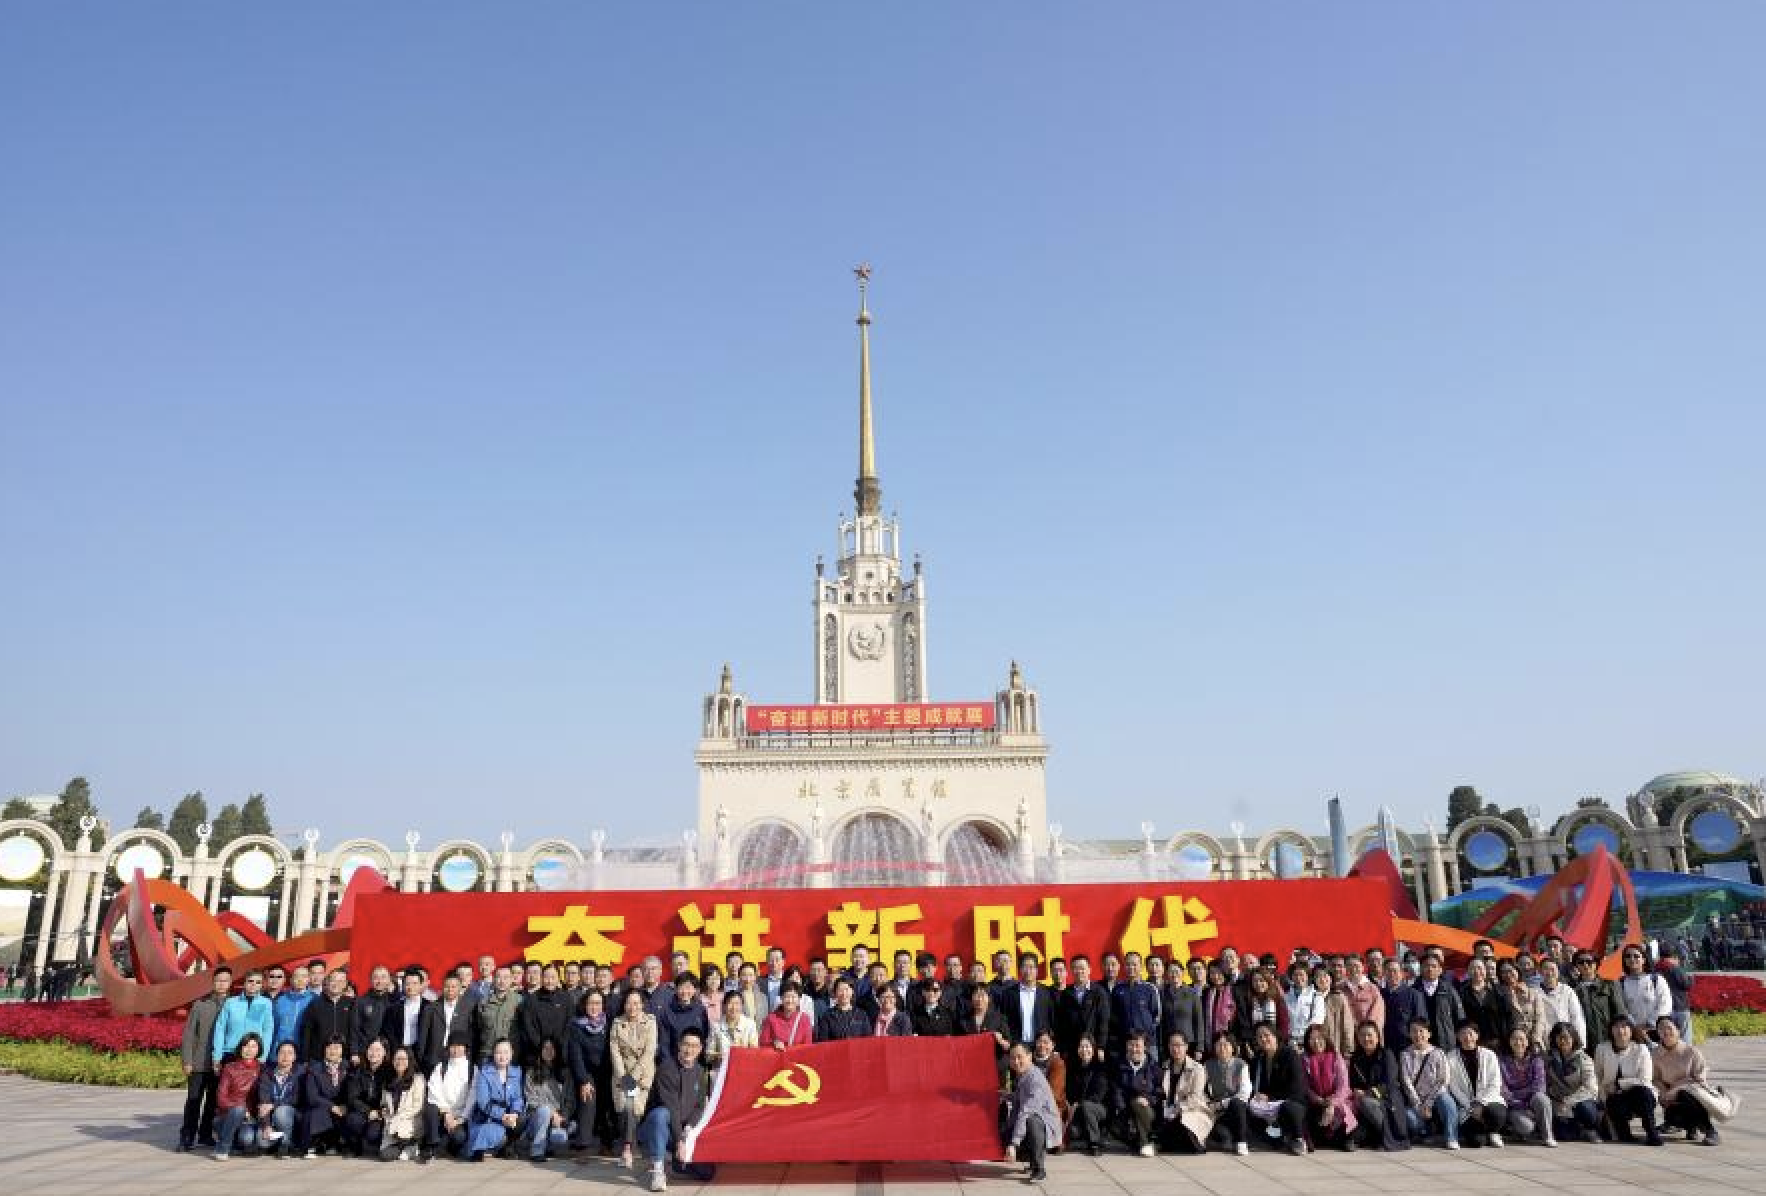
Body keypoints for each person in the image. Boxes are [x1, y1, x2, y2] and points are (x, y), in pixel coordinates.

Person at [640, 1030, 712, 1192]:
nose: (689, 1050)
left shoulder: (701, 1072)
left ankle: (675, 1162)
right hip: (659, 1129)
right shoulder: (667, 1068)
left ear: (700, 1049)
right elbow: (671, 1108)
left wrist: (688, 1132)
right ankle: (658, 1169)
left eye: (694, 1046)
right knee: (661, 1114)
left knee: (707, 1173)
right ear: (679, 1045)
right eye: (686, 1044)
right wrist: (680, 1141)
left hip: (682, 1130)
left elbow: (700, 1106)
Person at [178, 965, 231, 1151]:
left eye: (225, 980)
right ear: (213, 982)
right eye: (218, 980)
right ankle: (187, 1136)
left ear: (230, 983)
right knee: (193, 1100)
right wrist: (187, 1060)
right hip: (199, 1062)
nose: (221, 983)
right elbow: (189, 1035)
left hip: (221, 1063)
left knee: (212, 1102)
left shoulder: (233, 1004)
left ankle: (206, 1135)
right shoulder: (200, 1005)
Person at [1594, 1015, 1662, 1145]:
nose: (1620, 1031)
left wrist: (1619, 1085)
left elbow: (1645, 1080)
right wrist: (1601, 1100)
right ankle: (1624, 1133)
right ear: (1611, 1030)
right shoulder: (1602, 1049)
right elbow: (1598, 1077)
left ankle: (1651, 1132)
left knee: (1643, 1093)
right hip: (1613, 1097)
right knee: (1613, 1100)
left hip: (1638, 1096)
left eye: (1624, 1027)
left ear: (1631, 1030)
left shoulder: (1641, 1049)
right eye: (1616, 1027)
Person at [1651, 1015, 1719, 1145]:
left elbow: (1700, 1080)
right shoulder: (1655, 1054)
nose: (1666, 1032)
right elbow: (1655, 1079)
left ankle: (1710, 1130)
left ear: (1678, 1030)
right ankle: (1688, 1127)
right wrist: (1664, 1092)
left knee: (1686, 1094)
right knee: (1675, 1111)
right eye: (1661, 1029)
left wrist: (1677, 1088)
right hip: (1670, 1099)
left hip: (1694, 1097)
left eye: (1669, 1028)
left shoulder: (1692, 1052)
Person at [611, 987, 658, 1169]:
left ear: (642, 1005)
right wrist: (624, 1077)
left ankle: (627, 1147)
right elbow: (614, 1052)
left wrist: (634, 1076)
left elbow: (649, 1051)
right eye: (629, 1003)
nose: (632, 1007)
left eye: (636, 1003)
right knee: (626, 1107)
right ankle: (629, 1147)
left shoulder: (650, 1022)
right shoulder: (617, 1023)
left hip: (642, 1074)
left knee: (634, 1109)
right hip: (621, 1074)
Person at [1246, 1022, 1307, 1155]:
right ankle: (1272, 1140)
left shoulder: (1290, 1055)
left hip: (1291, 1101)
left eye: (1266, 1035)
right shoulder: (1258, 1059)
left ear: (1275, 1036)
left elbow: (1295, 1087)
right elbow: (1252, 1085)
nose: (1263, 1039)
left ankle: (1299, 1139)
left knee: (1289, 1107)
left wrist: (1270, 1096)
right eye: (1259, 1036)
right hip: (1267, 1106)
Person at [1347, 1018, 1409, 1150]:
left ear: (1377, 1036)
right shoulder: (1356, 1058)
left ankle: (1384, 1135)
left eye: (1370, 1035)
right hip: (1363, 1102)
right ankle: (1363, 1136)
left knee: (1365, 1102)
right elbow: (1353, 1083)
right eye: (1362, 1035)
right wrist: (1355, 1091)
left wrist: (1367, 1093)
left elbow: (1390, 1084)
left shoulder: (1387, 1055)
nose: (1366, 1038)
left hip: (1387, 1101)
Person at [1004, 1042, 1060, 1182]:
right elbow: (1019, 1098)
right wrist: (1003, 1095)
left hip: (1046, 1125)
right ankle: (1030, 1160)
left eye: (1019, 1057)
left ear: (1029, 1057)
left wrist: (1014, 1143)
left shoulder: (1035, 1079)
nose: (1016, 1061)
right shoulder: (1024, 1075)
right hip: (1030, 1121)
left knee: (1031, 1121)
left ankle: (1039, 1169)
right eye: (1012, 1058)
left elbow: (1026, 1111)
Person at [1399, 1018, 1458, 1149]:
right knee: (1409, 1117)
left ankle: (1451, 1137)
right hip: (1416, 1100)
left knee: (1447, 1101)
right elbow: (1406, 1082)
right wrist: (1419, 1105)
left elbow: (1443, 1080)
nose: (1418, 1034)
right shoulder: (1405, 1055)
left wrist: (1428, 1104)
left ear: (1429, 1034)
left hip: (1435, 1097)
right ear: (1409, 1034)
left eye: (1421, 1031)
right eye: (1414, 1031)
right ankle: (1424, 1132)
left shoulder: (1438, 1053)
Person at [566, 989, 614, 1153]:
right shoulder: (576, 1025)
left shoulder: (610, 1023)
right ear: (584, 1005)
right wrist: (584, 1080)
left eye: (598, 1003)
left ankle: (612, 1141)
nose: (594, 1007)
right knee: (588, 1098)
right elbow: (575, 1055)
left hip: (611, 1071)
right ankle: (583, 1142)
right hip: (588, 1072)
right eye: (591, 1003)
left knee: (618, 1101)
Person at [1444, 1021, 1505, 1147]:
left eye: (1471, 1033)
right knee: (1477, 1142)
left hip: (1488, 1102)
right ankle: (1483, 1132)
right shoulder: (1450, 1058)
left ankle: (1493, 1132)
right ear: (1457, 1036)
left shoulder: (1489, 1055)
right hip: (1467, 1107)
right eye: (1463, 1034)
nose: (1467, 1037)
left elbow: (1495, 1083)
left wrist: (1481, 1104)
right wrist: (1470, 1106)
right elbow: (1453, 1087)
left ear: (1477, 1036)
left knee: (1496, 1113)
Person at [467, 1038, 526, 1161]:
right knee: (493, 1132)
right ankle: (480, 1148)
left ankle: (508, 1147)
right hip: (488, 1117)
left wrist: (514, 1113)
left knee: (521, 1119)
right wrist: (502, 1115)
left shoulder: (517, 1072)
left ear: (511, 1054)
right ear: (493, 1054)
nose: (502, 1056)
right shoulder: (484, 1072)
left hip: (510, 1116)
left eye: (506, 1052)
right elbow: (483, 1102)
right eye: (499, 1052)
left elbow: (518, 1097)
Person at [1301, 1023, 1357, 1151]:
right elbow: (1305, 1086)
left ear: (1326, 1039)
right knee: (1308, 1114)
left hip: (1337, 1101)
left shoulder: (1336, 1058)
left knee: (1343, 1112)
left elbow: (1343, 1087)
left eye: (1320, 1038)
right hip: (1316, 1101)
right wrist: (1319, 1100)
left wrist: (1331, 1104)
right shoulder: (1304, 1060)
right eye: (1312, 1039)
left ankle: (1347, 1140)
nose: (1316, 1042)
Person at [1156, 1031, 1214, 1153]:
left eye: (1179, 1045)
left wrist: (1177, 1109)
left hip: (1192, 1110)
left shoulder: (1197, 1068)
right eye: (1172, 1045)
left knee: (1184, 1125)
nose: (1175, 1049)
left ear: (1186, 1047)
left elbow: (1195, 1098)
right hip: (1167, 1110)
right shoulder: (1164, 1066)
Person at [1544, 1021, 1601, 1144]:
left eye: (1566, 1037)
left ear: (1573, 1038)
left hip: (1580, 1101)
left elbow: (1591, 1089)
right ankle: (1577, 1129)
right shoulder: (1549, 1059)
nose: (1562, 1041)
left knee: (1586, 1109)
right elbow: (1547, 1084)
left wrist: (1569, 1101)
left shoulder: (1584, 1059)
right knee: (1562, 1135)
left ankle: (1590, 1128)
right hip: (1559, 1103)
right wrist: (1555, 1097)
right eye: (1559, 1037)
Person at [1498, 1026, 1555, 1147]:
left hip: (1532, 1101)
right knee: (1526, 1128)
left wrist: (1520, 1096)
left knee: (1542, 1098)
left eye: (1521, 1039)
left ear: (1527, 1042)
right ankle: (1516, 1129)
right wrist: (1519, 1101)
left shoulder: (1536, 1060)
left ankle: (1548, 1136)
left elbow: (1539, 1087)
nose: (1518, 1042)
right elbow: (1503, 1090)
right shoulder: (1501, 1061)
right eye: (1514, 1039)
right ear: (1509, 1041)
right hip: (1514, 1106)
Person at [520, 1037, 574, 1162]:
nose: (548, 1051)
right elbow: (531, 1099)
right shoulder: (531, 1072)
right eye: (545, 1048)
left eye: (552, 1048)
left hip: (557, 1121)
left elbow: (570, 1101)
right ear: (540, 1051)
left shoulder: (565, 1073)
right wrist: (552, 1113)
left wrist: (561, 1118)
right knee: (544, 1111)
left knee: (560, 1137)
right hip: (536, 1118)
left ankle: (545, 1144)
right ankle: (537, 1151)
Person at [212, 1032, 264, 1160]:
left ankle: (230, 1141)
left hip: (249, 1119)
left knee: (247, 1138)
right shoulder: (230, 1068)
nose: (249, 1050)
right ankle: (223, 1148)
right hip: (227, 1116)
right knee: (238, 1110)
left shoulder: (263, 1069)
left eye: (253, 1046)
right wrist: (241, 1110)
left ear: (259, 1049)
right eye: (245, 1046)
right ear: (240, 1048)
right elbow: (221, 1098)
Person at [423, 1040, 475, 1162]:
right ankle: (433, 1145)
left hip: (461, 1117)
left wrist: (460, 1119)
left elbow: (473, 1098)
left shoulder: (472, 1069)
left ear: (465, 1048)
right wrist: (446, 1113)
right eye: (453, 1046)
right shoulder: (441, 1067)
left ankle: (449, 1147)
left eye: (459, 1046)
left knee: (459, 1137)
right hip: (443, 1114)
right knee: (430, 1107)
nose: (456, 1049)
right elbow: (434, 1091)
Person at [298, 1036, 349, 1156]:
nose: (332, 1051)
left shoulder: (349, 1068)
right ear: (324, 1050)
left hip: (343, 1108)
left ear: (342, 1050)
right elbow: (312, 1097)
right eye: (329, 1047)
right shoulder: (314, 1069)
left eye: (336, 1047)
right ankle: (312, 1145)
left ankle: (341, 1144)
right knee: (317, 1111)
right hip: (322, 1109)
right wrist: (332, 1106)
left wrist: (346, 1105)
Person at [253, 1040, 304, 1159]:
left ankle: (286, 1144)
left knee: (281, 1111)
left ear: (295, 1057)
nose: (285, 1056)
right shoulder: (267, 1074)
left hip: (294, 1117)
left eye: (290, 1053)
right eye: (282, 1053)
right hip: (272, 1118)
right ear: (276, 1056)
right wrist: (266, 1125)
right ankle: (280, 1140)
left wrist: (274, 1105)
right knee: (262, 1141)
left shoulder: (300, 1073)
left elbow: (296, 1098)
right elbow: (264, 1102)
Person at [212, 969, 274, 1066]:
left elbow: (267, 1030)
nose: (254, 984)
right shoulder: (230, 1002)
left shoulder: (266, 1003)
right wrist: (217, 1056)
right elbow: (220, 1029)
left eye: (258, 982)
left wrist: (263, 1056)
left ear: (262, 985)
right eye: (250, 981)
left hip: (254, 1055)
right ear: (244, 983)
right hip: (230, 1053)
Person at [1065, 1034, 1113, 1156]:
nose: (1084, 1050)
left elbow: (1099, 1095)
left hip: (1099, 1108)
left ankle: (1094, 1143)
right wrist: (1070, 1103)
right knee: (1073, 1132)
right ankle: (1090, 1132)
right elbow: (1070, 1092)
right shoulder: (1074, 1067)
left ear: (1093, 1048)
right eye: (1081, 1046)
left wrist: (1079, 1104)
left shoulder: (1100, 1067)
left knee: (1087, 1106)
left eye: (1087, 1046)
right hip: (1079, 1110)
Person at [341, 1037, 390, 1157]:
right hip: (362, 1111)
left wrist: (379, 1112)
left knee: (373, 1133)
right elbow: (352, 1098)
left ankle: (370, 1144)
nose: (374, 1053)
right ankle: (354, 1145)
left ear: (384, 1052)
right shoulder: (358, 1070)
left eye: (378, 1050)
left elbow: (391, 1098)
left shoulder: (390, 1071)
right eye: (371, 1049)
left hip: (381, 1114)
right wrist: (368, 1111)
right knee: (352, 1120)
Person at [1114, 1032, 1161, 1155]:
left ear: (1145, 1047)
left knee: (1139, 1103)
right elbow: (1117, 1090)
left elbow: (1160, 1091)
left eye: (1137, 1045)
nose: (1134, 1049)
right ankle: (1144, 1142)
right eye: (1131, 1045)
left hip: (1148, 1110)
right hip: (1126, 1111)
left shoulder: (1153, 1067)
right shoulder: (1120, 1066)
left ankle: (1148, 1143)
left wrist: (1149, 1099)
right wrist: (1122, 1109)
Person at [516, 964, 572, 1066]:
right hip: (535, 1053)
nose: (549, 981)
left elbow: (569, 1024)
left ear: (558, 978)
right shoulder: (531, 1000)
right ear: (541, 978)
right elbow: (528, 1026)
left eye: (553, 977)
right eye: (546, 977)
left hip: (560, 1054)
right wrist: (542, 1046)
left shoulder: (566, 998)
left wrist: (558, 1045)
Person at [1056, 955, 1110, 1062]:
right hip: (1072, 1047)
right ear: (1071, 970)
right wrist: (1063, 1048)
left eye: (1082, 968)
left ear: (1089, 970)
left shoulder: (1099, 992)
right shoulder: (1066, 993)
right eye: (1075, 968)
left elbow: (1103, 1021)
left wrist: (1100, 1046)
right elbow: (1062, 1024)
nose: (1079, 971)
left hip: (1092, 1047)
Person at [380, 1044, 427, 1161]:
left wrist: (398, 1118)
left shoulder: (418, 1079)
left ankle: (412, 1144)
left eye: (403, 1059)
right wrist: (385, 1112)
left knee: (401, 1131)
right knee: (384, 1155)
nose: (399, 1062)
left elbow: (417, 1106)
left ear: (409, 1060)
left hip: (410, 1121)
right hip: (392, 1124)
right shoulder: (388, 1080)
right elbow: (383, 1103)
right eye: (397, 1059)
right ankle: (408, 1148)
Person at [1110, 953, 1160, 1061]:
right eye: (1128, 964)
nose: (1131, 967)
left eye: (1134, 964)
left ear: (1141, 966)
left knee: (1152, 1075)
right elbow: (1114, 1015)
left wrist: (1146, 1034)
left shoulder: (1150, 988)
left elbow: (1157, 1016)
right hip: (1125, 1043)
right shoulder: (1117, 989)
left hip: (1148, 1043)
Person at [301, 967, 354, 1064]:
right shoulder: (315, 1004)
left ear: (345, 984)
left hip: (344, 1058)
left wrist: (354, 1052)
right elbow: (307, 1033)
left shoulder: (352, 1004)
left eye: (340, 981)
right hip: (318, 1058)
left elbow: (355, 1031)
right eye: (333, 980)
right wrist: (305, 1058)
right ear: (327, 982)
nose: (336, 984)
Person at [1571, 952, 1623, 1051]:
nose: (1585, 965)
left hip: (1609, 1040)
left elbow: (1620, 1013)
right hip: (1584, 1043)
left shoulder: (1609, 985)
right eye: (1581, 962)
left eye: (1589, 962)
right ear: (1576, 966)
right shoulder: (1572, 990)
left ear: (1596, 964)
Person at [1497, 960, 1552, 1052]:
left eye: (1510, 970)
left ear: (1517, 971)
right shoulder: (1498, 995)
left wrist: (1536, 1039)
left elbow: (1540, 1018)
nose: (1508, 974)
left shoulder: (1532, 992)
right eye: (1503, 972)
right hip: (1512, 1043)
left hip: (1533, 1040)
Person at [1231, 968, 1288, 1057]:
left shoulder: (1277, 1000)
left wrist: (1278, 1044)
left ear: (1268, 981)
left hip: (1275, 1045)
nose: (1258, 984)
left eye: (1261, 980)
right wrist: (1247, 1044)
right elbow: (1243, 1024)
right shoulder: (1248, 1001)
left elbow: (1283, 1025)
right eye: (1255, 981)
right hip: (1254, 1046)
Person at [1617, 947, 1671, 1040]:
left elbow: (1665, 1004)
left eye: (1636, 956)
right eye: (1628, 956)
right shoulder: (1621, 983)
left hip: (1657, 1031)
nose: (1632, 959)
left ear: (1643, 960)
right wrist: (1635, 1027)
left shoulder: (1656, 980)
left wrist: (1650, 1024)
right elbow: (1622, 1008)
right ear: (1624, 960)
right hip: (1633, 1033)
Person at [962, 985, 1013, 1085]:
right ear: (971, 998)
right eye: (976, 995)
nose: (979, 999)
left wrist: (1000, 1040)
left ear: (989, 998)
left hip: (995, 1066)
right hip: (971, 1067)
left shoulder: (999, 1018)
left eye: (982, 995)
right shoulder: (963, 1020)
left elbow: (1008, 1046)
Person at [474, 964, 522, 1065]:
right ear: (494, 979)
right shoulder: (483, 1002)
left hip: (510, 1055)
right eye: (498, 977)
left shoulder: (519, 1001)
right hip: (487, 1054)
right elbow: (478, 1027)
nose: (502, 981)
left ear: (511, 980)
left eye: (506, 977)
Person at [1003, 953, 1055, 1046]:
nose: (1028, 971)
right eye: (1024, 967)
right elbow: (1004, 1020)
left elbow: (1052, 1020)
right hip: (1017, 1045)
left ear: (1037, 970)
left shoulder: (1046, 993)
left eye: (1031, 967)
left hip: (1041, 1046)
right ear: (1019, 970)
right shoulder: (1009, 993)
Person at [707, 989, 759, 1065]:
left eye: (737, 1003)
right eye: (730, 1003)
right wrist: (720, 1056)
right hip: (721, 1069)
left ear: (742, 1006)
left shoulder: (750, 1025)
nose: (734, 1007)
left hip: (743, 1067)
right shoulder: (716, 1026)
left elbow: (754, 1051)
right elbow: (709, 1054)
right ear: (724, 1006)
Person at [760, 981, 815, 1049]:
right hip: (777, 1058)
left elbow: (807, 1046)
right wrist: (773, 1043)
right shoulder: (771, 1018)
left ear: (799, 999)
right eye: (787, 997)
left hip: (797, 1059)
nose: (790, 1001)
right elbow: (762, 1043)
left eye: (793, 997)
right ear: (781, 998)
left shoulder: (804, 1019)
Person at [816, 976, 871, 1041]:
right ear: (835, 993)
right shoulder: (828, 1016)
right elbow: (823, 1041)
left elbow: (868, 1039)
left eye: (846, 989)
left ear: (852, 991)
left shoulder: (861, 1014)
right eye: (840, 990)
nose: (844, 993)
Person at [1657, 949, 1693, 1041]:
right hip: (1680, 1006)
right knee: (1685, 1038)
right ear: (1672, 957)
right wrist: (1691, 978)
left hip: (1664, 1009)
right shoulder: (1674, 968)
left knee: (1668, 1039)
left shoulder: (1655, 969)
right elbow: (1686, 984)